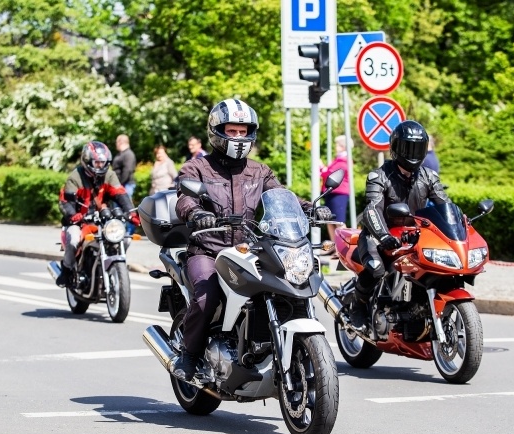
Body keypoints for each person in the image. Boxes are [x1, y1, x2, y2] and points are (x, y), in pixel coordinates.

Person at [172, 98, 333, 381]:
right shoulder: (198, 168)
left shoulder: (259, 171)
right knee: (207, 298)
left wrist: (310, 209)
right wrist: (197, 213)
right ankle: (189, 355)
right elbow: (185, 199)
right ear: (216, 132)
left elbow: (282, 196)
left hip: (248, 249)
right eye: (232, 131)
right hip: (208, 250)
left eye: (243, 131)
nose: (238, 137)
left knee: (285, 284)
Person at [348, 120, 450, 330]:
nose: (412, 154)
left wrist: (459, 225)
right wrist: (383, 236)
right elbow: (372, 209)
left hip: (411, 235)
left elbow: (445, 205)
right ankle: (357, 305)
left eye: (417, 148)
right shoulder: (379, 176)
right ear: (396, 148)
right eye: (407, 148)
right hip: (377, 236)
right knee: (376, 269)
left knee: (435, 268)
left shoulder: (429, 176)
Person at [56, 141, 139, 287]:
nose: (101, 166)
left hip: (102, 219)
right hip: (79, 221)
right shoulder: (75, 177)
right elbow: (65, 201)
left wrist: (132, 213)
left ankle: (113, 265)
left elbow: (120, 193)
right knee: (73, 240)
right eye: (97, 162)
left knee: (124, 238)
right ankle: (67, 269)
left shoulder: (109, 175)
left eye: (103, 162)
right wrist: (73, 215)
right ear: (87, 161)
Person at [320, 135, 352, 245]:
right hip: (331, 192)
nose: (335, 147)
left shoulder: (344, 161)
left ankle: (345, 246)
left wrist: (321, 167)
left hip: (339, 193)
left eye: (337, 144)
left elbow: (330, 173)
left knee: (339, 221)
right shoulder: (338, 160)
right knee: (330, 221)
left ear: (343, 146)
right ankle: (335, 247)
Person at [113, 134, 137, 234]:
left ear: (120, 142)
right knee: (118, 208)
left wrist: (120, 184)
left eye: (116, 142)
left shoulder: (128, 154)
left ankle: (129, 231)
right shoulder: (121, 154)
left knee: (128, 208)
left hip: (126, 184)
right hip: (119, 185)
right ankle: (120, 230)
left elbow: (127, 171)